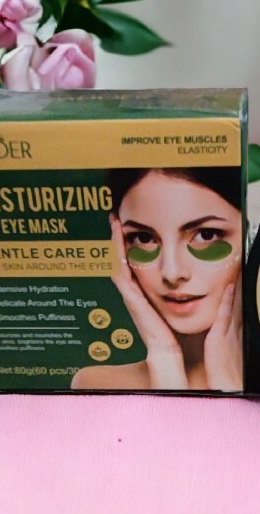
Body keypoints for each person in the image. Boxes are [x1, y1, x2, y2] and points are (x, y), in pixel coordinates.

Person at [71, 167, 243, 392]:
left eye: (206, 235)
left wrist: (228, 385)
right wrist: (165, 359)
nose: (171, 273)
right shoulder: (98, 384)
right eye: (143, 238)